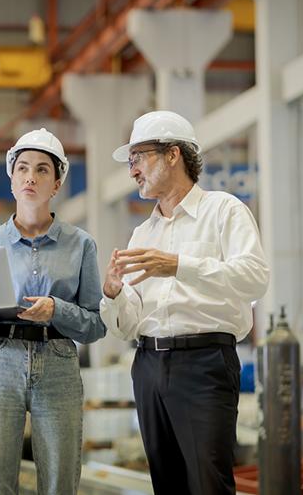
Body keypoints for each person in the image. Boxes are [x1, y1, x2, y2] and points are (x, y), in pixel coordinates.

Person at [100, 110, 270, 494]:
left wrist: (178, 265)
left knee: (208, 484)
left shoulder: (224, 211)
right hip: (147, 365)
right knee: (167, 485)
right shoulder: (143, 232)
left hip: (204, 364)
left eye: (138, 158)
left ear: (173, 155)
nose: (133, 171)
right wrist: (112, 295)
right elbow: (127, 324)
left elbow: (255, 278)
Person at [0, 128, 107, 494]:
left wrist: (57, 310)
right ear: (11, 179)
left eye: (43, 170)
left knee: (59, 483)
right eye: (22, 168)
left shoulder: (81, 245)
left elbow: (95, 325)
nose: (31, 177)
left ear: (56, 184)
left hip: (58, 364)